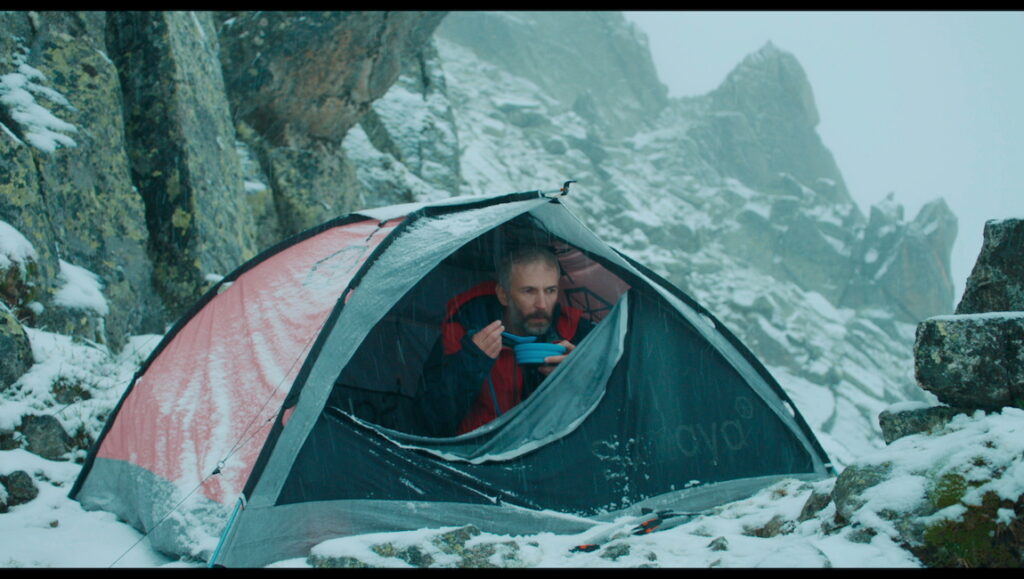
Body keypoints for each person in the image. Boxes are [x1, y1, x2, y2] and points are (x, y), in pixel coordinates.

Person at [416, 244, 595, 436]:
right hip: (473, 454)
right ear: (503, 295)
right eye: (529, 291)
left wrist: (577, 375)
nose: (542, 304)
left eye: (550, 290)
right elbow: (428, 421)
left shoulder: (577, 333)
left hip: (544, 453)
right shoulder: (462, 331)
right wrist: (471, 361)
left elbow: (601, 415)